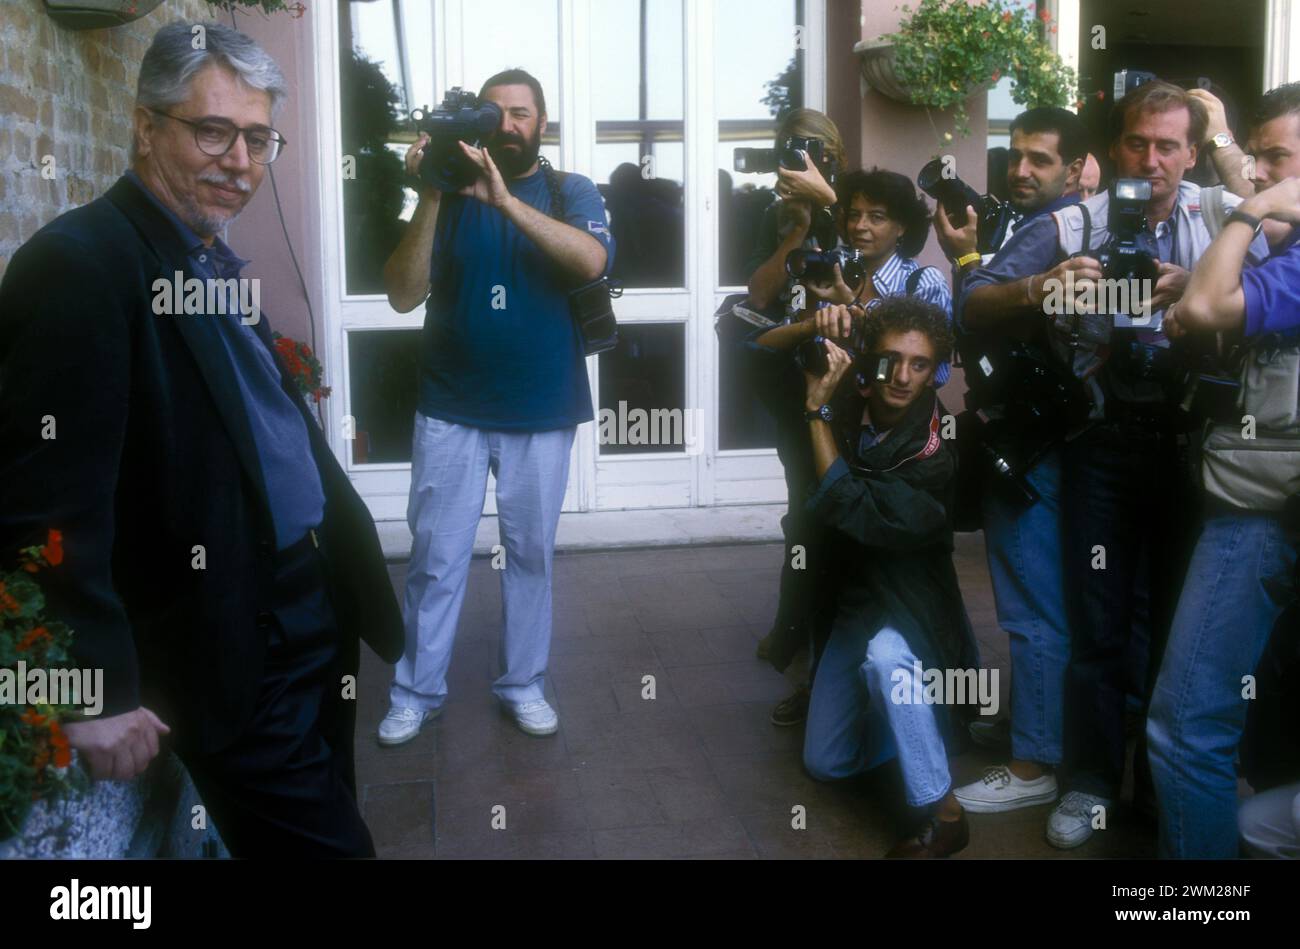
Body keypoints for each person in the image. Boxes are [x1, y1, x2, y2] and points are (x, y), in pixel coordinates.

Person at [0, 22, 403, 857]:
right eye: (213, 130)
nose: (241, 161)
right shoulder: (81, 264)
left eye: (258, 138)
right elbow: (40, 500)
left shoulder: (203, 254)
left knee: (331, 807)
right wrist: (93, 687)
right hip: (227, 644)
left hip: (306, 611)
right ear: (146, 127)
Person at [961, 80, 1271, 849]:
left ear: (1191, 152)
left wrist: (1198, 289)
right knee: (1097, 625)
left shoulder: (1215, 212)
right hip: (1102, 440)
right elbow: (971, 297)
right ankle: (1092, 783)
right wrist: (1041, 287)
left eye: (1170, 145)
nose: (1153, 160)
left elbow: (1286, 246)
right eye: (1138, 142)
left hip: (1196, 445)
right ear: (1112, 149)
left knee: (1174, 628)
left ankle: (1161, 793)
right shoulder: (1076, 220)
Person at [378, 68, 614, 744]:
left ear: (542, 121)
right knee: (435, 556)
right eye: (495, 113)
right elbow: (400, 293)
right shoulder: (444, 195)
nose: (507, 125)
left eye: (521, 113)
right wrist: (432, 191)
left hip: (542, 407)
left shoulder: (571, 191)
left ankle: (522, 683)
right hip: (451, 404)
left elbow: (592, 260)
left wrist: (504, 200)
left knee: (530, 554)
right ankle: (417, 691)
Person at [1149, 82, 1300, 859]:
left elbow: (1209, 307)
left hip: (1262, 508)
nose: (1260, 174)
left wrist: (1245, 212)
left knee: (1185, 723)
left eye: (1278, 159)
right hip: (1265, 493)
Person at [940, 107, 1087, 815]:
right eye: (1016, 156)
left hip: (1031, 444)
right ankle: (1041, 726)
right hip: (1058, 438)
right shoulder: (1065, 222)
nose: (1023, 170)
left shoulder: (1050, 228)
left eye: (1041, 160)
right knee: (1051, 600)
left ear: (1075, 168)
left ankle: (1033, 764)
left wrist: (969, 261)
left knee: (1032, 606)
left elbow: (971, 311)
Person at [799, 296, 977, 858]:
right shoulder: (852, 404)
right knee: (825, 764)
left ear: (935, 370)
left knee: (886, 660)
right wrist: (814, 322)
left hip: (910, 607)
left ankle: (943, 810)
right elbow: (754, 342)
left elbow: (851, 508)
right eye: (891, 360)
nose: (902, 377)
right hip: (856, 605)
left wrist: (815, 414)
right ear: (868, 359)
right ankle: (913, 733)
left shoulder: (935, 451)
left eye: (919, 364)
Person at [741, 109, 847, 727]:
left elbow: (878, 276)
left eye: (813, 150)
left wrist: (831, 207)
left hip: (853, 380)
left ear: (833, 155)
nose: (801, 160)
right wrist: (796, 231)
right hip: (792, 385)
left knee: (829, 513)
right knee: (806, 510)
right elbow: (758, 295)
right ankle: (797, 639)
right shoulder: (774, 215)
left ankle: (804, 642)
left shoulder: (861, 199)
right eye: (791, 151)